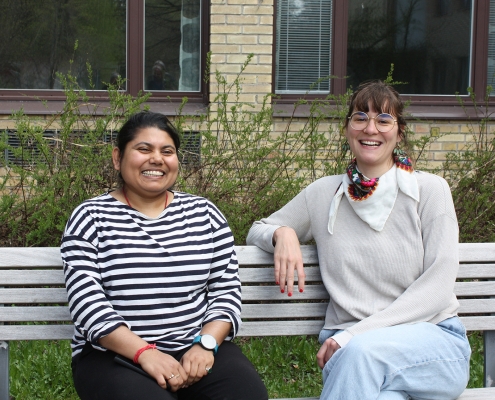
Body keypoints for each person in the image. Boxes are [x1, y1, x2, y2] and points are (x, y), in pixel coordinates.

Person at [246, 80, 471, 399]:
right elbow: (259, 229)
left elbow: (437, 287)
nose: (371, 128)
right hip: (348, 350)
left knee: (363, 353)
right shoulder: (323, 194)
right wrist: (282, 233)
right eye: (360, 117)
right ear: (347, 128)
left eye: (383, 119)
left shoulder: (430, 191)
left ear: (399, 131)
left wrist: (355, 335)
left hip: (432, 345)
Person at [61, 111, 268, 400]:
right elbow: (87, 303)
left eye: (166, 151)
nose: (156, 159)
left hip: (195, 348)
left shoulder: (204, 214)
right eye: (143, 149)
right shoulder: (91, 217)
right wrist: (145, 352)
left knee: (246, 394)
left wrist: (206, 344)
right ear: (117, 158)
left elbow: (226, 291)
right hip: (113, 355)